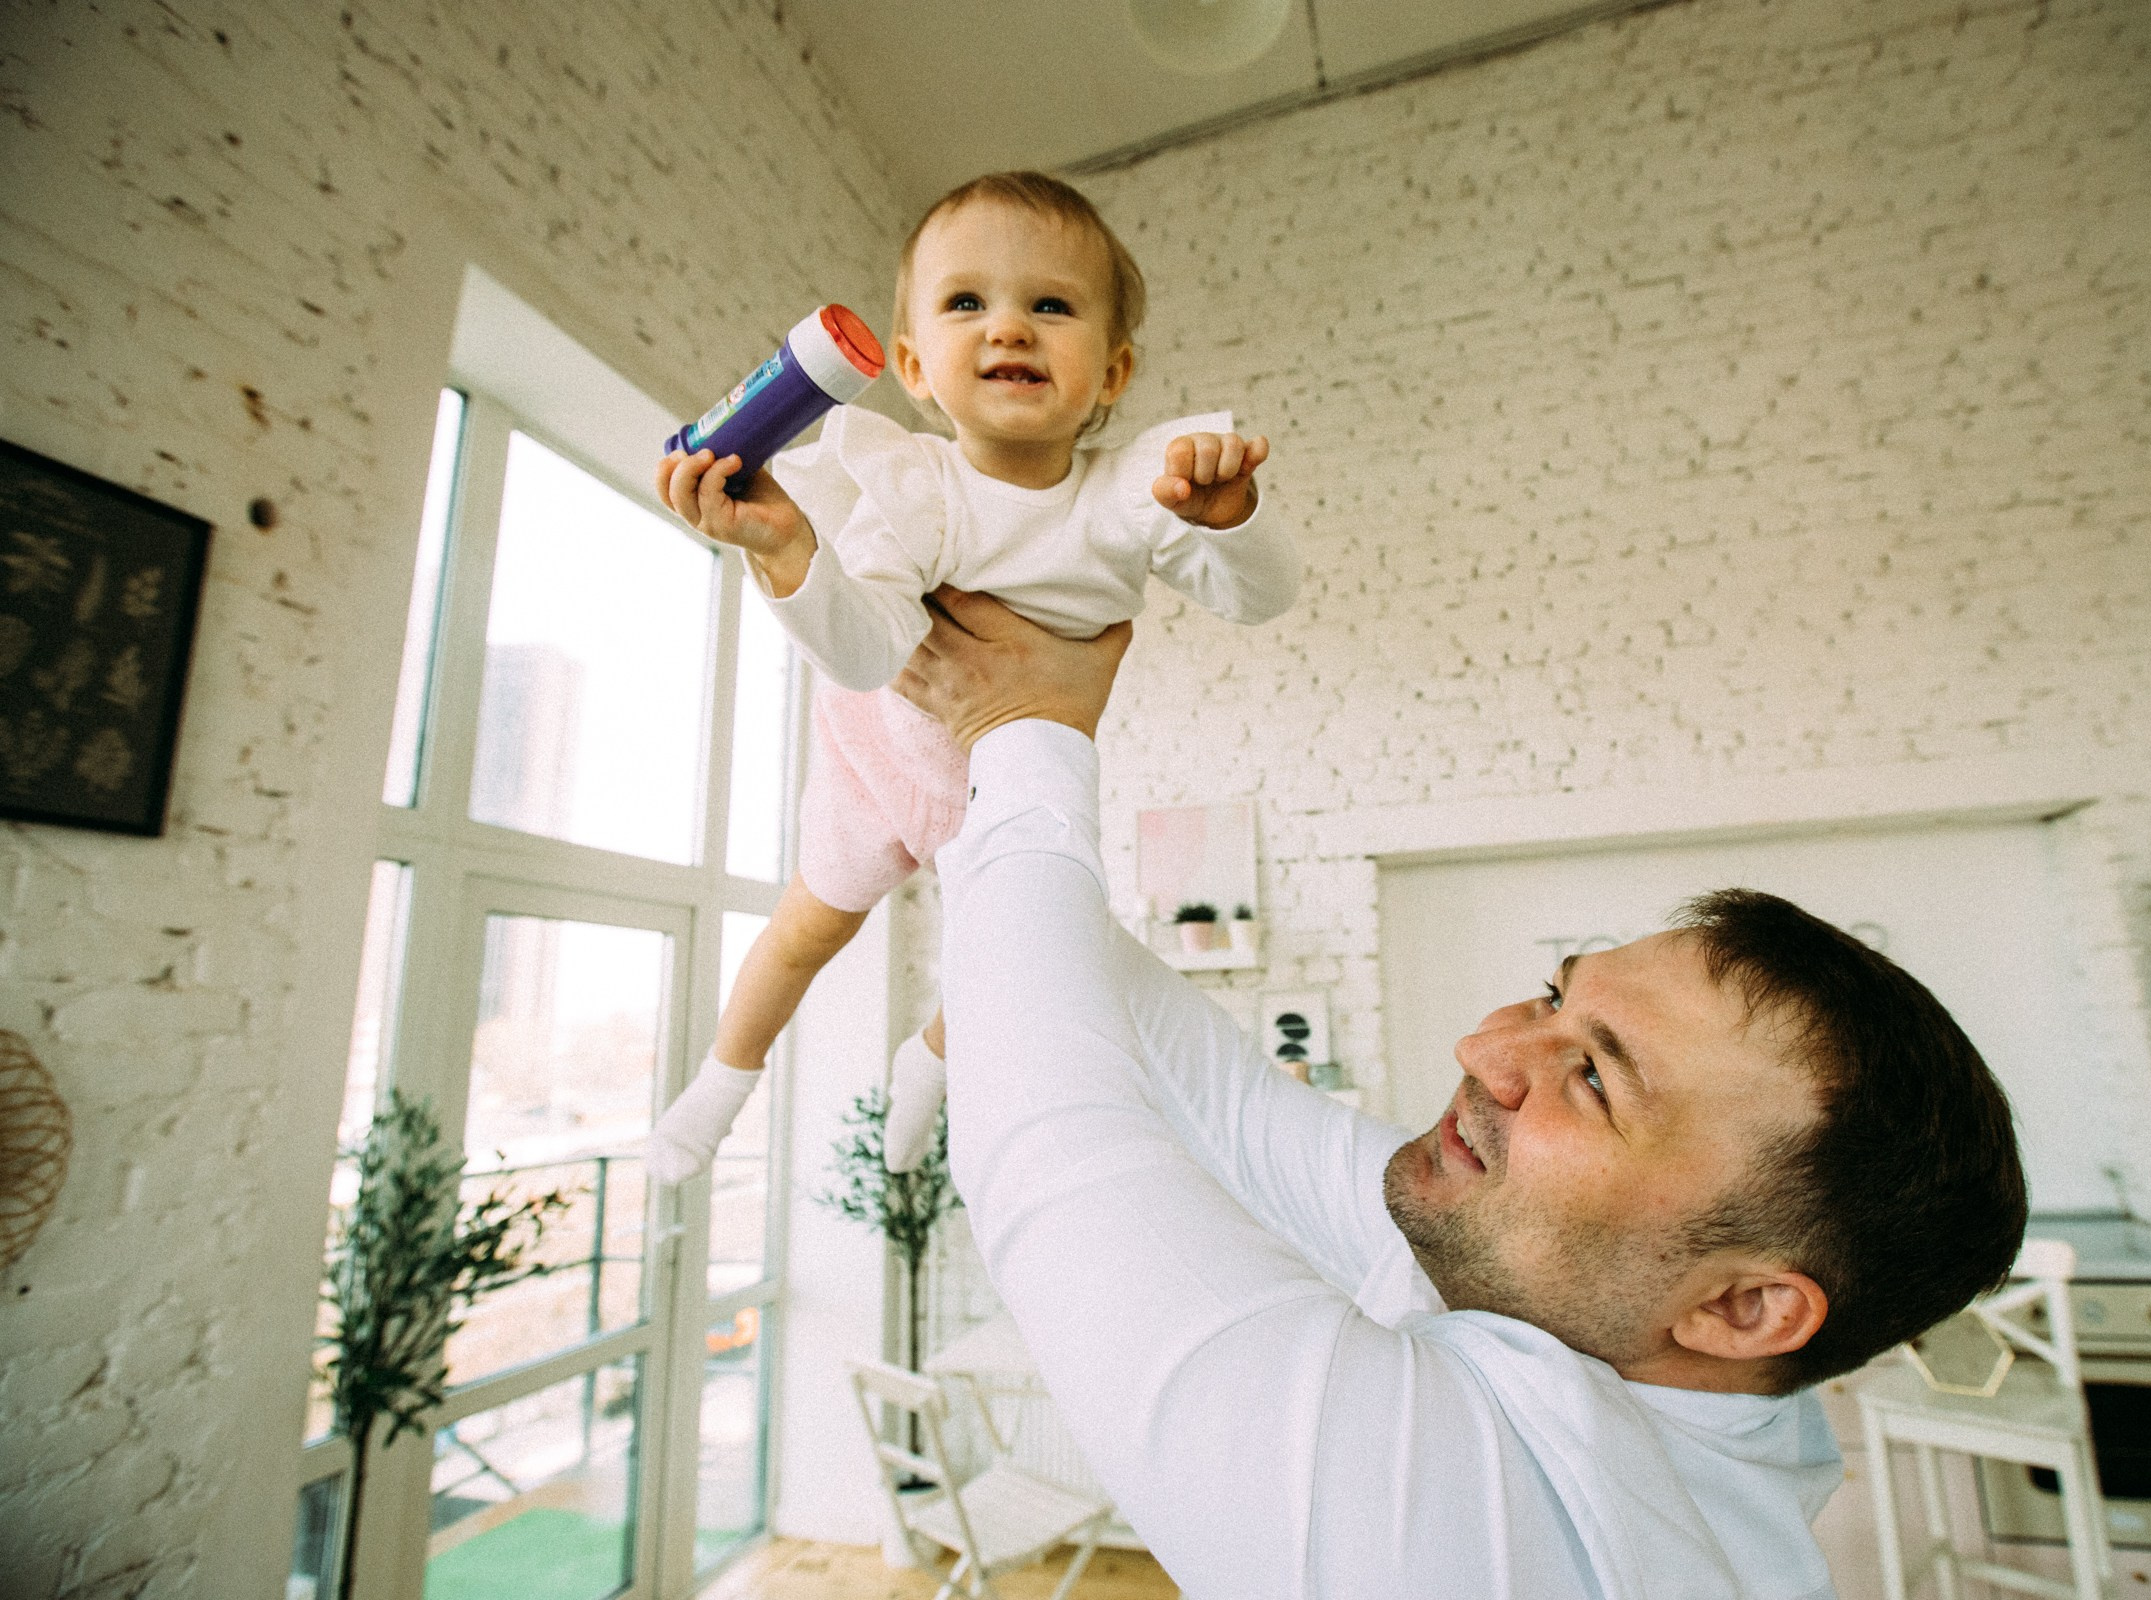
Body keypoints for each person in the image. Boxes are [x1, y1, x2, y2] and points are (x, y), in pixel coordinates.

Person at [893, 586, 2029, 1599]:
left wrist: (1027, 733)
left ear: (1742, 1308)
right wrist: (976, 774)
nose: (1487, 1047)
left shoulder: (1492, 1539)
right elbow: (1225, 1101)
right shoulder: (1567, 1313)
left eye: (1591, 1076)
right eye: (1550, 996)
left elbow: (1054, 1156)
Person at [644, 172, 1299, 1185]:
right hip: (876, 753)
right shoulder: (914, 485)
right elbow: (867, 650)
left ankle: (929, 1060)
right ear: (911, 364)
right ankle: (724, 1080)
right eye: (966, 303)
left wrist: (1229, 522)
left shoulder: (1129, 491)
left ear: (1114, 370)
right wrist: (784, 552)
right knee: (802, 931)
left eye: (1051, 303)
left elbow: (1260, 600)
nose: (1009, 329)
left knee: (1009, 952)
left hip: (998, 779)